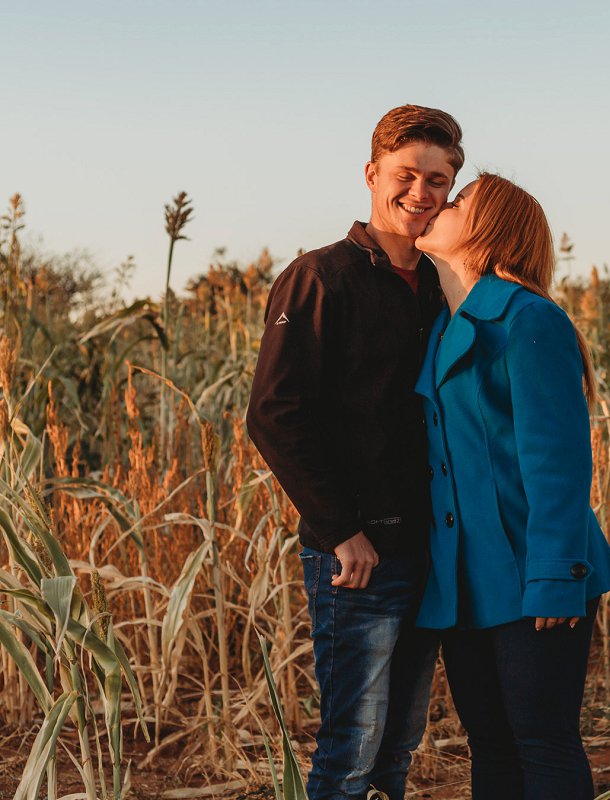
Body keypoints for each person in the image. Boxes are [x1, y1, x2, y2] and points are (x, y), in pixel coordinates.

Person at [246, 105, 462, 800]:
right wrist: (342, 531)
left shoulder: (442, 285)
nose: (421, 194)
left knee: (398, 747)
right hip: (356, 560)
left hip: (427, 552)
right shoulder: (321, 277)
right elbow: (274, 414)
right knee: (351, 748)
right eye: (406, 175)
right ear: (372, 174)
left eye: (438, 180)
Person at [412, 173, 610, 799]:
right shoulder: (437, 328)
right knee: (492, 750)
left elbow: (557, 464)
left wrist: (556, 577)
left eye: (457, 201)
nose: (438, 205)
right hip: (465, 579)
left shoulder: (529, 320)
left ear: (487, 231)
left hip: (537, 571)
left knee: (543, 742)